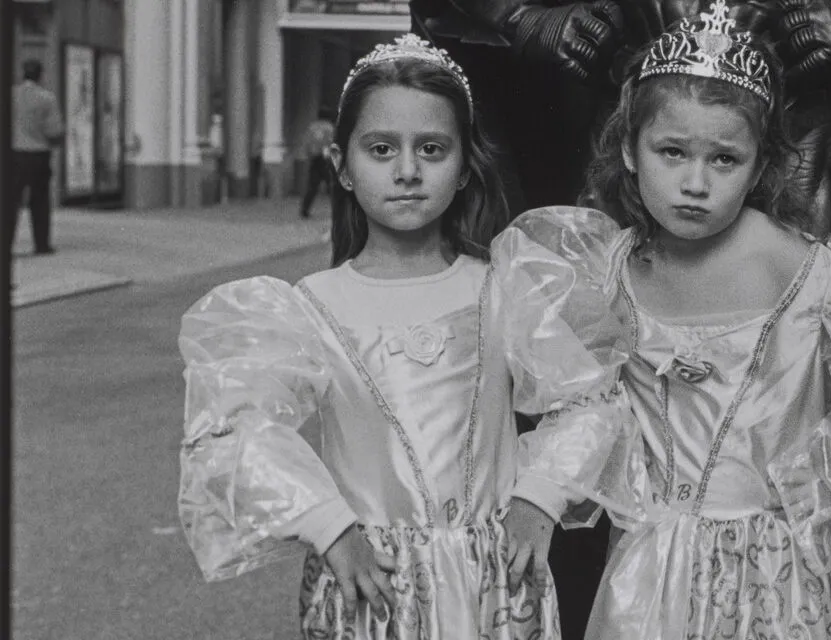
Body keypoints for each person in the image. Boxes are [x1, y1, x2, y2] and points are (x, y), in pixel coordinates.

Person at [500, 4, 831, 637]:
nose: (695, 182)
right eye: (671, 152)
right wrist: (539, 497)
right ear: (630, 152)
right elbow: (589, 410)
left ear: (761, 165)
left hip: (775, 578)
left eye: (724, 160)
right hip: (648, 574)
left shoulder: (818, 276)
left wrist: (813, 492)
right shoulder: (604, 271)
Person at [176, 35, 625, 638]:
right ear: (341, 164)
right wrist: (330, 526)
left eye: (432, 149)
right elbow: (234, 430)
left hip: (493, 586)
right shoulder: (311, 307)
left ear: (465, 166)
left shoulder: (502, 289)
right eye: (382, 149)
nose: (408, 170)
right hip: (373, 581)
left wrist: (540, 496)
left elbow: (590, 402)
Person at [8, 59, 64, 255]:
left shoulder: (10, 95)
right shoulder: (46, 98)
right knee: (40, 201)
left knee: (10, 201)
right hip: (38, 155)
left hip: (13, 154)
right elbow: (54, 131)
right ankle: (41, 244)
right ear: (40, 75)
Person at [299, 107, 337, 218]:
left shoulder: (312, 127)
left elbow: (307, 142)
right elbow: (332, 142)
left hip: (314, 158)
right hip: (325, 159)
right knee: (331, 186)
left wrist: (308, 154)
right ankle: (338, 209)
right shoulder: (329, 127)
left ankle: (305, 209)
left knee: (312, 185)